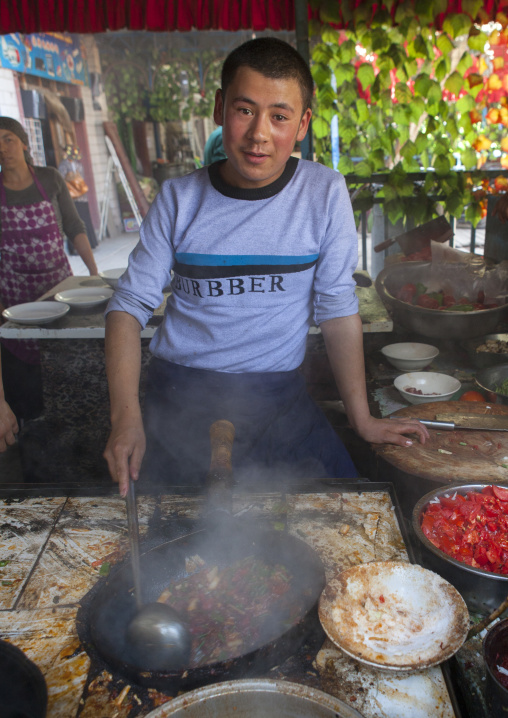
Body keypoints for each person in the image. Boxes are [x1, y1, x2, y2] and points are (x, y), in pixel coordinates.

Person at [104, 38, 428, 497]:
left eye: (279, 116)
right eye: (244, 110)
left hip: (278, 399)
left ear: (302, 124)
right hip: (179, 397)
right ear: (220, 109)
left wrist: (362, 419)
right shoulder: (179, 199)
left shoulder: (324, 193)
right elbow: (127, 308)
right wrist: (126, 420)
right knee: (173, 533)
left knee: (343, 510)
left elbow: (337, 308)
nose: (259, 133)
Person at [0, 117, 98, 450]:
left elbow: (74, 226)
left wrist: (94, 273)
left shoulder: (50, 179)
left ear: (24, 142)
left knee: (65, 371)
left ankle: (74, 440)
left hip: (59, 294)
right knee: (26, 388)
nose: (3, 148)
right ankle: (32, 447)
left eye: (9, 139)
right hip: (13, 302)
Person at [58, 144, 98, 252]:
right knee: (85, 220)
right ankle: (90, 244)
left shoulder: (64, 164)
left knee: (74, 222)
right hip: (82, 197)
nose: (63, 154)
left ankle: (76, 248)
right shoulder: (78, 164)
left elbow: (60, 180)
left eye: (64, 152)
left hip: (71, 198)